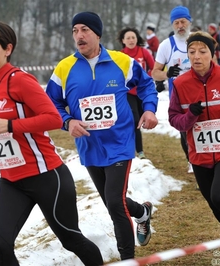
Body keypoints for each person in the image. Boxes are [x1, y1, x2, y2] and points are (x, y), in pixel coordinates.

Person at [0, 21, 103, 266]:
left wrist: (8, 125)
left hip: (46, 176)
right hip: (11, 179)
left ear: (7, 49)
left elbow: (53, 118)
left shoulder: (19, 80)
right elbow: (0, 125)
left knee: (71, 240)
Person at [46, 12, 158, 260]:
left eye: (84, 29)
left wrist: (149, 109)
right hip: (89, 146)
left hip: (120, 143)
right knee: (112, 202)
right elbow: (50, 102)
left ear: (97, 33)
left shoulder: (121, 62)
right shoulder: (64, 68)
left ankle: (127, 260)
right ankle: (142, 213)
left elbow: (148, 85)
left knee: (115, 204)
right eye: (75, 31)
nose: (79, 35)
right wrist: (68, 121)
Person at [168, 31, 220, 257]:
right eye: (192, 52)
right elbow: (174, 119)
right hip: (200, 153)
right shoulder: (180, 84)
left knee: (219, 195)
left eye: (202, 51)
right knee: (212, 202)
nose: (196, 57)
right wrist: (190, 116)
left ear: (212, 54)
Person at [152, 5, 194, 174]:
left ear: (189, 22)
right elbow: (155, 73)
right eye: (176, 23)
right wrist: (167, 73)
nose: (180, 26)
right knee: (184, 128)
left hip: (200, 91)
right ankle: (191, 160)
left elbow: (213, 64)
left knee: (203, 125)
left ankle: (205, 159)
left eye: (183, 21)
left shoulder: (198, 40)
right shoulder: (166, 45)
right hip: (178, 95)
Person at [118, 27, 155, 159]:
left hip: (142, 91)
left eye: (133, 37)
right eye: (128, 38)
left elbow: (154, 67)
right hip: (128, 92)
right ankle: (139, 151)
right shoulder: (120, 55)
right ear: (123, 41)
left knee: (142, 119)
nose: (131, 40)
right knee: (134, 121)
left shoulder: (144, 52)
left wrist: (148, 77)